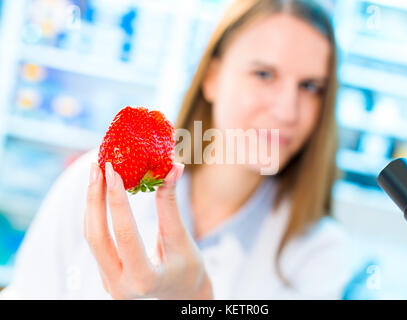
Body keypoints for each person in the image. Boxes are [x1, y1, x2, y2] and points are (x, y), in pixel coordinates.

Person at [0, 0, 353, 299]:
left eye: (310, 86)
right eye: (263, 75)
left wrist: (198, 295)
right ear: (212, 77)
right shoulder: (100, 181)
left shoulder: (319, 253)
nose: (287, 110)